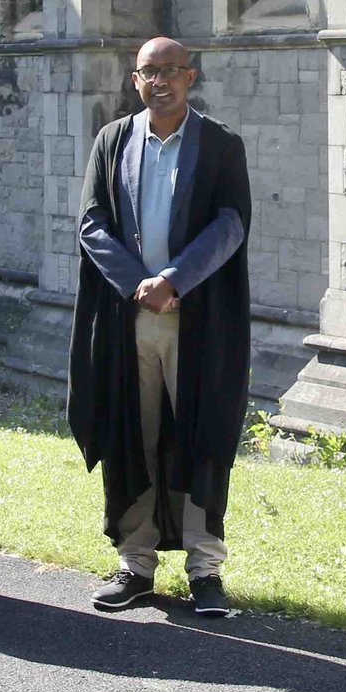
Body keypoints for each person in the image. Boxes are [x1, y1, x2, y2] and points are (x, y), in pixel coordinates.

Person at [69, 37, 252, 617]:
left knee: (201, 434)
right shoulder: (112, 141)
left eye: (171, 71)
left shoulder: (221, 145)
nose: (161, 81)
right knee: (133, 434)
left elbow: (231, 223)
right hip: (130, 321)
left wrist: (174, 279)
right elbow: (93, 221)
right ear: (135, 80)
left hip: (197, 321)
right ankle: (136, 563)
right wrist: (138, 284)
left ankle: (205, 567)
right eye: (150, 72)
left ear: (190, 77)